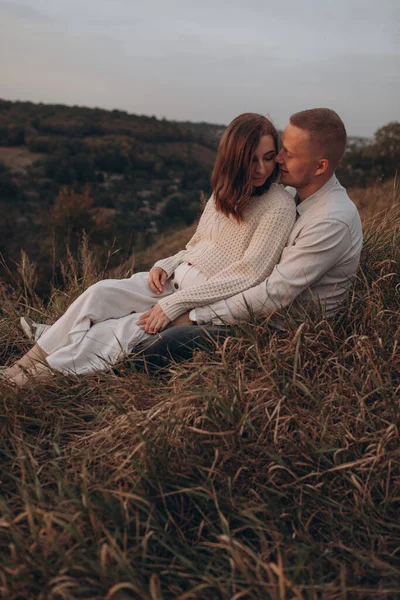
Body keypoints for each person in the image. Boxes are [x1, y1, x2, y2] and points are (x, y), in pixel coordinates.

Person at [3, 113, 296, 387]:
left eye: (268, 158)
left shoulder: (278, 205)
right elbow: (196, 245)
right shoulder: (224, 193)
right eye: (251, 159)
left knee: (109, 334)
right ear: (233, 159)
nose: (261, 168)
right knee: (99, 293)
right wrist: (165, 264)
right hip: (170, 282)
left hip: (197, 300)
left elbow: (249, 274)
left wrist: (176, 303)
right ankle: (19, 366)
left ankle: (19, 384)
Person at [126, 107, 363, 370]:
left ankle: (110, 378)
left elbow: (274, 295)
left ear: (320, 166)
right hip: (256, 313)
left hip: (282, 334)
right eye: (281, 149)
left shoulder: (330, 221)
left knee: (168, 342)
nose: (279, 159)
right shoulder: (292, 194)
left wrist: (194, 316)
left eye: (289, 154)